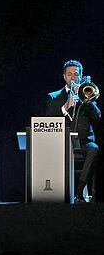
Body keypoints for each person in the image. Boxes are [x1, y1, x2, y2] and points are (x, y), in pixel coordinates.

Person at [45, 60, 102, 202]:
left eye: (76, 74)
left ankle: (79, 191)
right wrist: (65, 106)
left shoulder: (87, 95)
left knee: (94, 149)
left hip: (84, 142)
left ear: (81, 76)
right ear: (64, 77)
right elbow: (48, 120)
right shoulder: (53, 96)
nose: (73, 77)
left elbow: (98, 118)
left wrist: (87, 101)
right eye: (69, 74)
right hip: (61, 141)